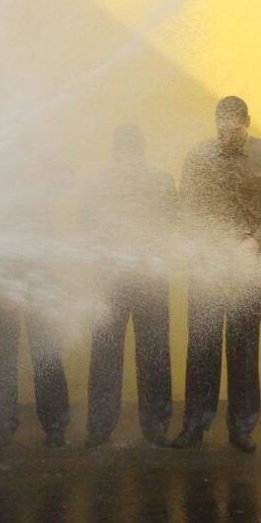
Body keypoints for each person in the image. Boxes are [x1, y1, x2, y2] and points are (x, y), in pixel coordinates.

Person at [174, 97, 261, 453]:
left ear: (247, 122)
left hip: (248, 262)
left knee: (243, 348)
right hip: (208, 265)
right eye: (221, 131)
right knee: (202, 345)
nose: (227, 138)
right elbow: (186, 206)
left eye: (234, 131)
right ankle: (195, 424)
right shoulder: (198, 156)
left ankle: (242, 428)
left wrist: (257, 239)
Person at [83, 124, 177, 448]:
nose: (129, 159)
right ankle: (155, 427)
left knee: (109, 352)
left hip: (116, 279)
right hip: (143, 278)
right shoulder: (160, 179)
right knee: (151, 353)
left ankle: (100, 428)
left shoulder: (98, 181)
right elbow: (172, 226)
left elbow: (88, 227)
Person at [0, 293, 70, 448]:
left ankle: (55, 425)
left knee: (47, 356)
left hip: (39, 281)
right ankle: (4, 426)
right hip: (0, 284)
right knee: (2, 359)